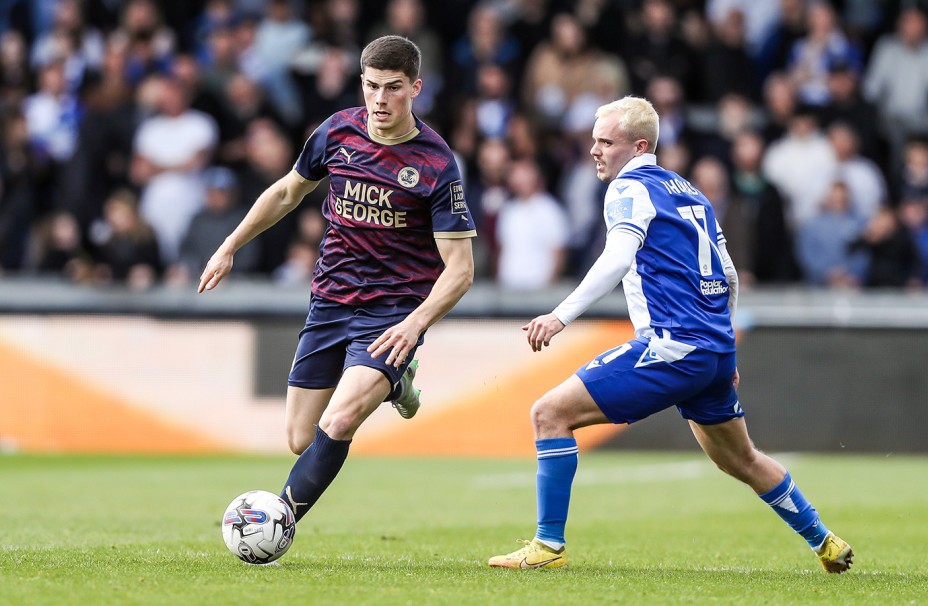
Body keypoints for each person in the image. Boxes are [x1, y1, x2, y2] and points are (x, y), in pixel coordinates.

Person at [487, 96, 853, 573]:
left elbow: (618, 258)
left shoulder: (628, 188)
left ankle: (547, 546)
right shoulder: (689, 191)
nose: (594, 150)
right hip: (713, 350)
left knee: (548, 414)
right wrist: (729, 347)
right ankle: (825, 542)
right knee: (740, 458)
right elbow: (729, 273)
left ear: (639, 146)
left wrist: (560, 316)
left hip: (672, 345)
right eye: (593, 140)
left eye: (605, 141)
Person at [198, 35, 476, 524]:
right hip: (331, 299)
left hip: (392, 312)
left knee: (340, 419)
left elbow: (461, 269)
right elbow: (286, 192)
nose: (380, 100)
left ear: (416, 88)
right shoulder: (337, 132)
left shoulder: (435, 163)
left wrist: (414, 326)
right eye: (371, 86)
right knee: (301, 438)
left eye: (393, 88)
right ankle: (397, 385)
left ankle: (275, 523)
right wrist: (228, 247)